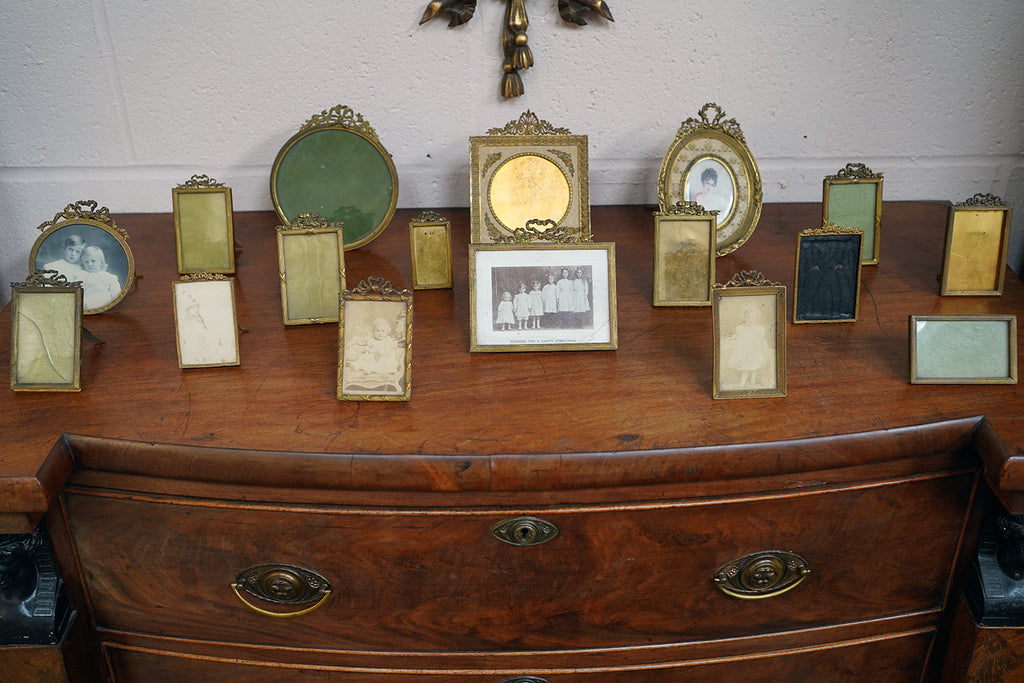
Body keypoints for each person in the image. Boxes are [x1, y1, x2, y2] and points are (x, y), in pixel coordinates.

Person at [344, 317, 404, 391]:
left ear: (387, 332)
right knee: (365, 360)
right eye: (377, 331)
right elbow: (368, 348)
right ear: (373, 331)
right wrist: (369, 350)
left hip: (384, 358)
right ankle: (366, 369)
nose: (380, 333)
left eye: (383, 331)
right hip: (373, 357)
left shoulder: (388, 341)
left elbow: (390, 352)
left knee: (380, 364)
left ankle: (371, 369)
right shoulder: (371, 340)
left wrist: (381, 353)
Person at [78, 245, 121, 309]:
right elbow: (78, 293)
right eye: (86, 262)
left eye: (93, 261)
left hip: (104, 305)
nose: (90, 264)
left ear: (101, 262)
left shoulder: (109, 277)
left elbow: (116, 295)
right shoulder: (82, 276)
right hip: (87, 305)